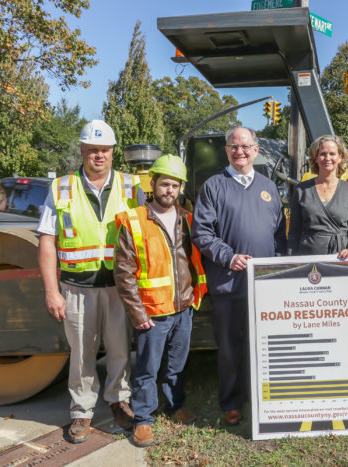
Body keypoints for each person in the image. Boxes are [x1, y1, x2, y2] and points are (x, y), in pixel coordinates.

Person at [37, 119, 145, 444]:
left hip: (119, 287)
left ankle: (118, 401)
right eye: (93, 149)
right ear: (82, 151)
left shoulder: (131, 186)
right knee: (82, 353)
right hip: (75, 288)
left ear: (113, 153)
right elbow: (46, 241)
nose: (99, 155)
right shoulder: (60, 188)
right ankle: (81, 411)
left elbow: (146, 238)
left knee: (119, 350)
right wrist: (51, 291)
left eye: (105, 150)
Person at [191, 127, 286, 426]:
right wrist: (229, 257)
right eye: (234, 146)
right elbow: (201, 233)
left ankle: (260, 397)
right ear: (227, 151)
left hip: (264, 286)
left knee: (264, 345)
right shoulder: (213, 187)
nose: (240, 151)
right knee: (230, 347)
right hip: (228, 284)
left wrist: (279, 267)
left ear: (256, 150)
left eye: (246, 146)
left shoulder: (269, 187)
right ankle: (231, 402)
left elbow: (279, 236)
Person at [115, 154, 207, 447]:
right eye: (165, 184)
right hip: (152, 313)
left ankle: (174, 405)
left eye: (175, 185)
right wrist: (138, 313)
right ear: (153, 184)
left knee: (176, 365)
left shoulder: (188, 220)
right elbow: (124, 273)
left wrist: (193, 299)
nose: (170, 190)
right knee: (147, 368)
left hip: (183, 308)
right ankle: (143, 419)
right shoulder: (135, 221)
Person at [287, 134, 348, 258]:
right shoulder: (302, 190)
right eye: (322, 154)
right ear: (315, 157)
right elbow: (294, 233)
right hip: (308, 259)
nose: (327, 158)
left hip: (340, 259)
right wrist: (291, 262)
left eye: (332, 153)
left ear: (340, 157)